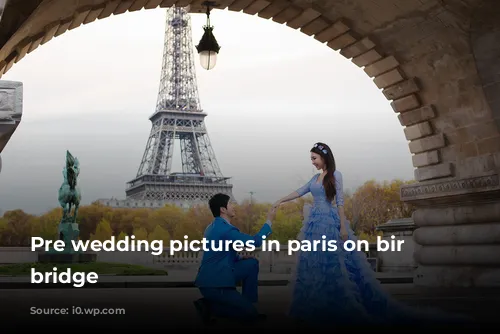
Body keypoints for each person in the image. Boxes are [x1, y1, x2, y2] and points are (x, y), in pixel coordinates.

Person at [272, 142, 469, 327]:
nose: (312, 162)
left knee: (335, 264)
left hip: (330, 223)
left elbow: (340, 202)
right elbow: (300, 191)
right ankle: (313, 307)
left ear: (324, 157)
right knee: (313, 264)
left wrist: (342, 227)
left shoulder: (335, 175)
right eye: (311, 159)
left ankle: (338, 307)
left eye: (314, 158)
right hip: (314, 224)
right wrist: (280, 200)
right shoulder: (314, 179)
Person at [194, 193, 276, 325]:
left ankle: (246, 303)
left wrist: (240, 256)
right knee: (250, 315)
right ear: (223, 209)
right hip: (217, 284)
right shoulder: (225, 230)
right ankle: (209, 307)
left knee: (251, 263)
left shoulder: (211, 227)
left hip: (211, 278)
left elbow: (220, 252)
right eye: (231, 203)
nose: (234, 206)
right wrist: (269, 221)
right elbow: (255, 242)